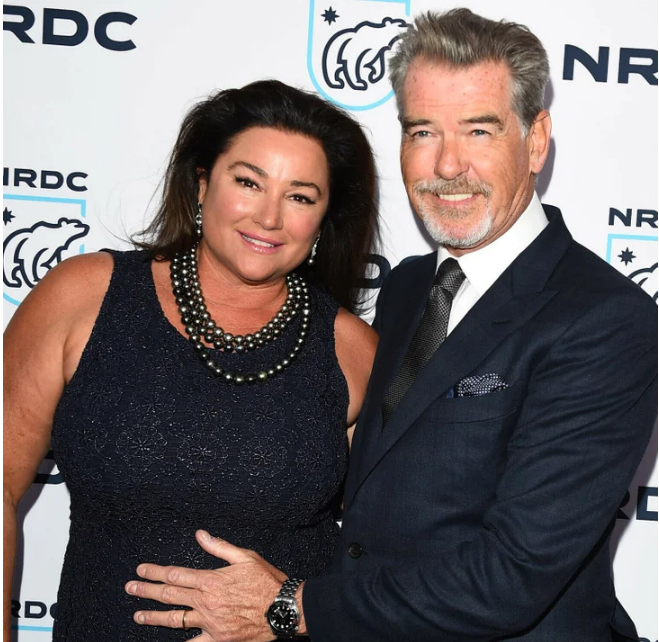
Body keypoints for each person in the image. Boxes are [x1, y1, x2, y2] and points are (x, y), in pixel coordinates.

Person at [124, 8, 658, 642]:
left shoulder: (603, 319)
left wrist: (293, 606)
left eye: (479, 130)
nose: (447, 164)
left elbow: (511, 576)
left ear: (535, 140)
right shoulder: (409, 286)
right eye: (422, 131)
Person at [3, 79, 379, 641]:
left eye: (300, 197)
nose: (269, 217)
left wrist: (292, 610)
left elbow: (397, 554)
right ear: (202, 185)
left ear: (323, 220)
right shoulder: (85, 296)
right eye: (248, 182)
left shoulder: (354, 352)